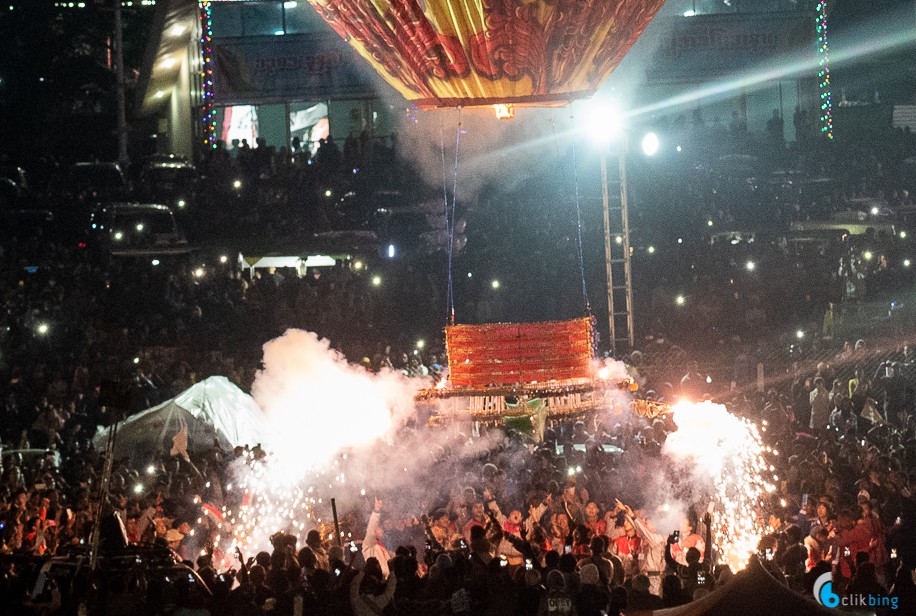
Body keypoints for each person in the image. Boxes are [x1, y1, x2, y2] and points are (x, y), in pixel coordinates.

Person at [363, 498, 391, 578]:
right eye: (379, 528)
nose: (382, 530)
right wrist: (376, 511)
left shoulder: (380, 545)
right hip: (378, 578)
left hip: (386, 578)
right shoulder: (369, 543)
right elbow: (371, 528)